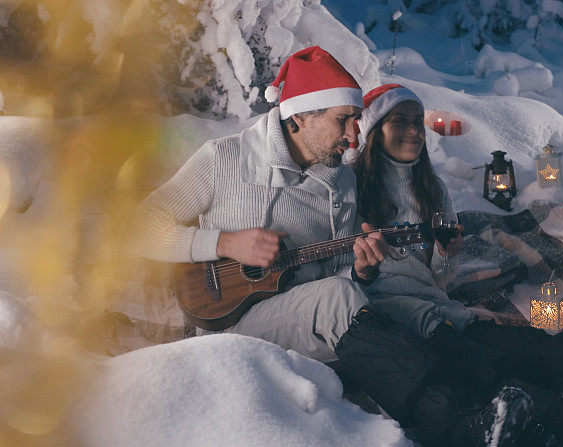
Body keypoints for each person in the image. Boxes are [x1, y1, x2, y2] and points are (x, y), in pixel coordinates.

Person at [132, 47, 540, 447]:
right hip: (229, 322)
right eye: (344, 120)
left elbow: (337, 273)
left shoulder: (341, 183)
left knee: (374, 301)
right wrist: (222, 242)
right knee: (336, 298)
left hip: (303, 318)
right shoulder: (224, 160)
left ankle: (509, 394)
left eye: (358, 120)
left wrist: (362, 270)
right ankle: (450, 424)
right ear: (300, 117)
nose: (354, 135)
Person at [351, 84, 563, 445]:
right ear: (375, 130)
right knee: (490, 362)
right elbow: (343, 273)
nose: (412, 131)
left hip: (439, 307)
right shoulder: (354, 187)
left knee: (516, 341)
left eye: (417, 122)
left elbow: (441, 279)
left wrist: (447, 255)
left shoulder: (431, 187)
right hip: (395, 318)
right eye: (399, 121)